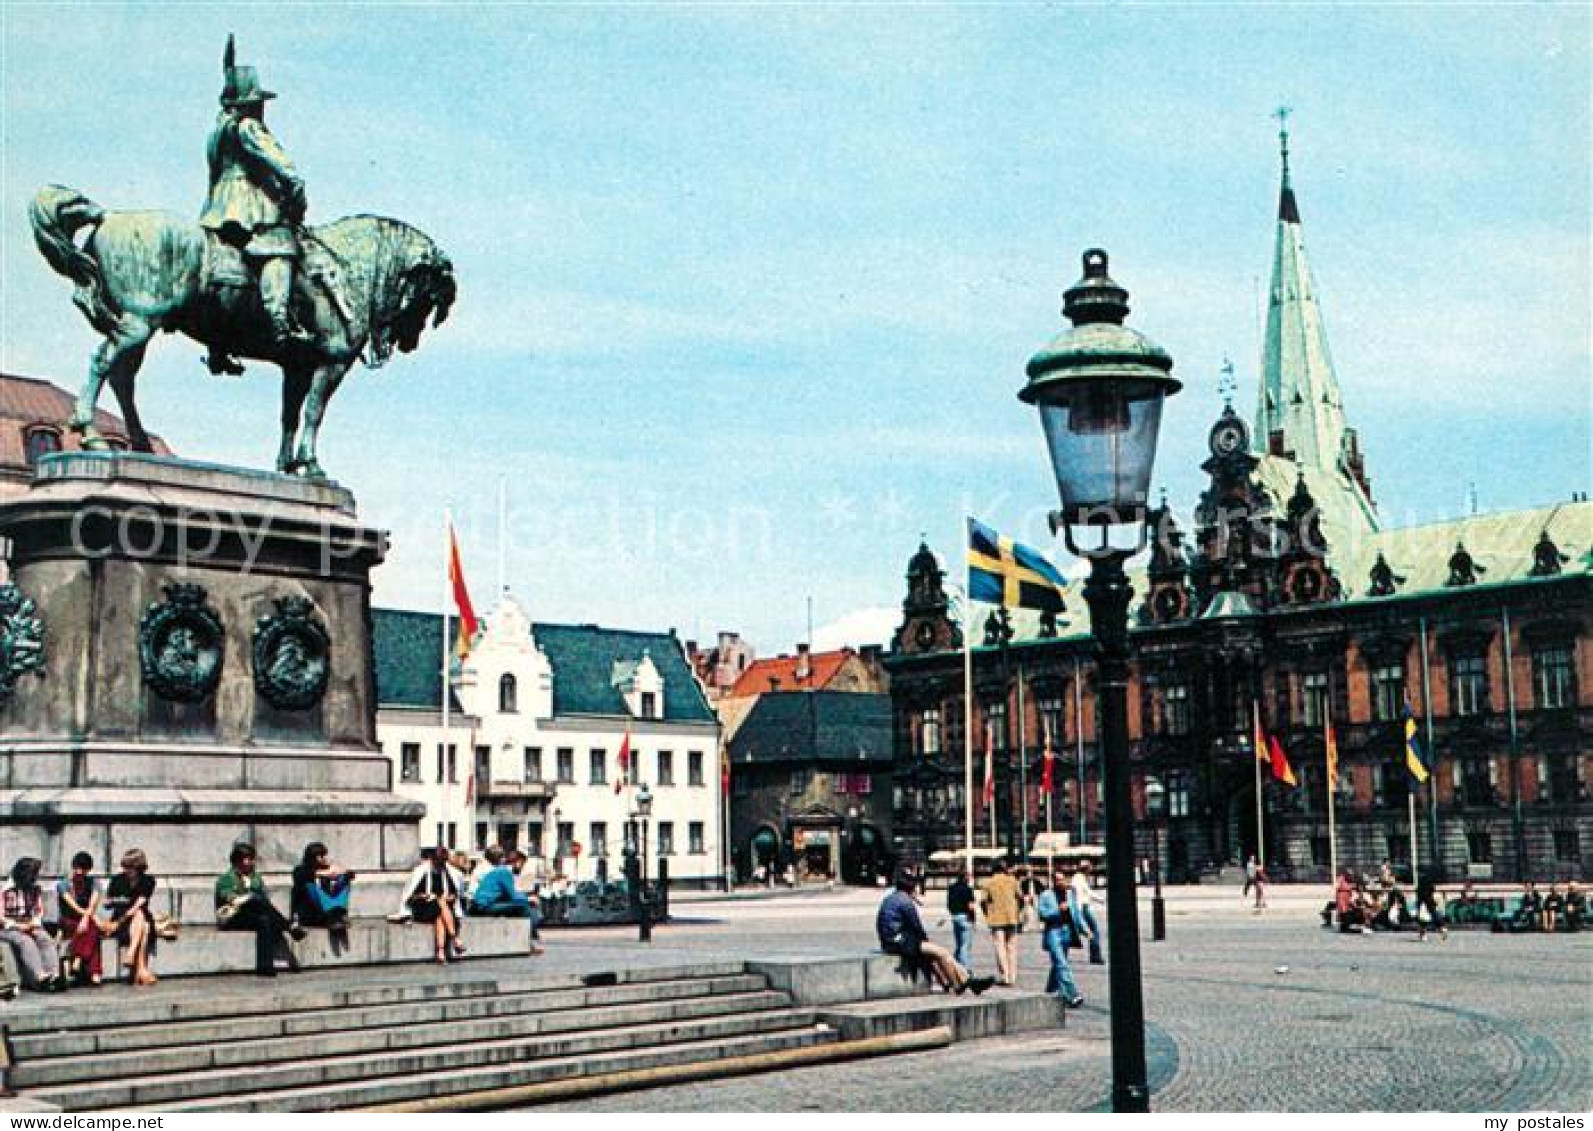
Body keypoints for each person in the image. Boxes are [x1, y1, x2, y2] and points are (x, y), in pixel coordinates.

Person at [200, 37, 312, 351]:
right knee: (281, 249)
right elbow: (278, 161)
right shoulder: (249, 127)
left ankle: (220, 343)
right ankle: (279, 322)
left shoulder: (217, 131)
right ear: (250, 104)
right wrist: (295, 185)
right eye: (258, 101)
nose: (262, 107)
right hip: (248, 203)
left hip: (218, 204)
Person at [876, 871, 992, 996]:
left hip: (891, 941)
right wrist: (927, 941)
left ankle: (961, 982)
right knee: (942, 952)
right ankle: (961, 983)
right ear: (912, 887)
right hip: (900, 943)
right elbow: (917, 927)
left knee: (934, 954)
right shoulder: (905, 902)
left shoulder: (891, 898)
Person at [216, 842, 304, 977]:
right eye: (248, 859)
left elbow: (265, 900)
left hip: (253, 914)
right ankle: (288, 926)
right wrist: (249, 897)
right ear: (238, 861)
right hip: (232, 917)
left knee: (264, 920)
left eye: (252, 858)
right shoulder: (226, 879)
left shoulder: (256, 877)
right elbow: (230, 899)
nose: (251, 862)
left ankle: (265, 967)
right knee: (256, 900)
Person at [0, 858, 64, 992]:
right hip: (8, 927)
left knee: (45, 939)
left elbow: (38, 911)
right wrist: (18, 926)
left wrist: (32, 924)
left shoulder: (35, 890)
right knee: (26, 941)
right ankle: (40, 976)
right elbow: (1, 917)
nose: (34, 878)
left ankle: (54, 975)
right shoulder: (4, 891)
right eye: (32, 874)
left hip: (30, 923)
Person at [104, 848, 158, 986]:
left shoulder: (148, 880)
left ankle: (131, 955)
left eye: (130, 867)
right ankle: (142, 970)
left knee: (140, 915)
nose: (127, 870)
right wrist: (112, 902)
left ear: (139, 867)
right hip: (122, 920)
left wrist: (124, 916)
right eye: (125, 867)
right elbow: (107, 902)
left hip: (131, 918)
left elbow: (140, 903)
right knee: (144, 927)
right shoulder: (117, 880)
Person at [403, 845, 464, 964]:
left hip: (440, 909)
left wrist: (450, 897)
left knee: (439, 914)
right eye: (439, 862)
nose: (441, 865)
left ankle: (440, 952)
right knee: (440, 904)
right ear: (433, 859)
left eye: (443, 862)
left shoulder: (448, 872)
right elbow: (411, 895)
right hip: (422, 907)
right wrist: (424, 896)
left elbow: (454, 893)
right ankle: (455, 938)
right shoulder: (421, 872)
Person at [291, 843, 354, 953]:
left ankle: (337, 914)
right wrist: (324, 874)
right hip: (310, 914)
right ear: (312, 857)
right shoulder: (300, 870)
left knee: (344, 880)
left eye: (325, 855)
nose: (325, 858)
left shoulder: (327, 868)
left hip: (328, 911)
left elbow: (351, 874)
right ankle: (334, 916)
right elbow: (305, 875)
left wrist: (339, 872)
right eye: (321, 855)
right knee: (311, 885)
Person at [56, 852, 105, 986]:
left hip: (86, 919)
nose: (79, 872)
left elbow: (93, 904)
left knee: (91, 929)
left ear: (88, 870)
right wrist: (88, 917)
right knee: (93, 929)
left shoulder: (94, 882)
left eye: (83, 869)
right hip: (68, 919)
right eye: (77, 868)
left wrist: (86, 918)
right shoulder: (63, 884)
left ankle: (77, 958)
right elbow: (72, 905)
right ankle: (95, 972)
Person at [1037, 869, 1084, 1009]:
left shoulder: (1070, 894)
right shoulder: (1046, 895)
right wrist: (1057, 910)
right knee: (1061, 963)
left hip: (1067, 931)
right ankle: (1072, 994)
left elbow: (1076, 912)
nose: (1060, 882)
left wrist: (1084, 928)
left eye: (1062, 879)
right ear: (1053, 881)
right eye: (1057, 879)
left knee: (1058, 964)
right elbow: (1042, 913)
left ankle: (1050, 992)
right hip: (1053, 931)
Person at [979, 859, 1023, 986]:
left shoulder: (988, 883)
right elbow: (1020, 897)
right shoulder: (1013, 881)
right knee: (1012, 948)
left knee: (1000, 948)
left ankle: (1005, 975)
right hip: (1012, 918)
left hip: (996, 919)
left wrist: (986, 913)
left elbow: (983, 901)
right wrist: (1017, 911)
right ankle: (1013, 976)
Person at [507, 849, 545, 954]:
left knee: (532, 909)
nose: (517, 864)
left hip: (521, 897)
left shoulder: (528, 872)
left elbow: (529, 889)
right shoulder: (506, 871)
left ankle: (531, 937)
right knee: (528, 909)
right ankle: (531, 938)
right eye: (514, 861)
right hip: (509, 898)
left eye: (520, 862)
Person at [1069, 862, 1105, 965]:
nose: (1091, 871)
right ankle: (1095, 955)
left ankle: (1095, 955)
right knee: (1093, 931)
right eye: (1090, 869)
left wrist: (1100, 899)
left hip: (1084, 907)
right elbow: (1082, 894)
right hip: (1082, 908)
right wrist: (1101, 899)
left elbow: (1087, 892)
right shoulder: (1078, 879)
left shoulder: (1079, 878)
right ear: (1086, 869)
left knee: (1091, 930)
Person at [946, 868, 977, 973]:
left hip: (955, 917)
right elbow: (971, 906)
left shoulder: (951, 888)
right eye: (969, 876)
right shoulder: (968, 889)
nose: (970, 878)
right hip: (965, 917)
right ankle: (965, 969)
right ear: (965, 877)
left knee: (959, 944)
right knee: (965, 945)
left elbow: (949, 904)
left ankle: (954, 965)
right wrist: (973, 919)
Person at [1415, 873, 1449, 942]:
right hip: (1431, 903)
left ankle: (1423, 935)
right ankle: (1443, 930)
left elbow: (1419, 896)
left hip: (1423, 904)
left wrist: (1418, 904)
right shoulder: (1431, 885)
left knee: (1422, 921)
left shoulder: (1419, 888)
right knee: (1436, 918)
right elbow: (1433, 891)